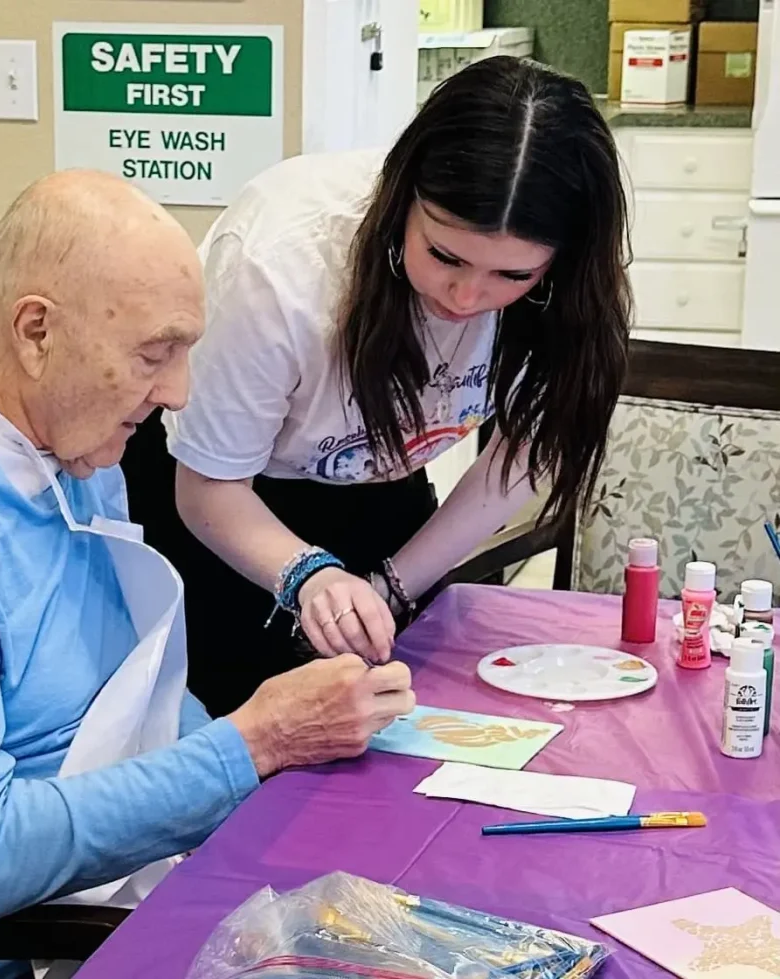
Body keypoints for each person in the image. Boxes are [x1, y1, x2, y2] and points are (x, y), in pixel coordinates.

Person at [0, 171, 415, 979]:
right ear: (36, 331)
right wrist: (255, 743)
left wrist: (279, 757)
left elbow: (139, 694)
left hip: (104, 892)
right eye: (154, 353)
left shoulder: (67, 433)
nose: (176, 391)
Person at [121, 56, 632, 718]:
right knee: (237, 754)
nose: (467, 296)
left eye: (512, 277)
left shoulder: (573, 284)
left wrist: (395, 583)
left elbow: (531, 451)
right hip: (224, 504)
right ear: (402, 200)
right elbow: (207, 488)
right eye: (444, 255)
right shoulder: (280, 265)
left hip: (381, 491)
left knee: (386, 735)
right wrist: (306, 574)